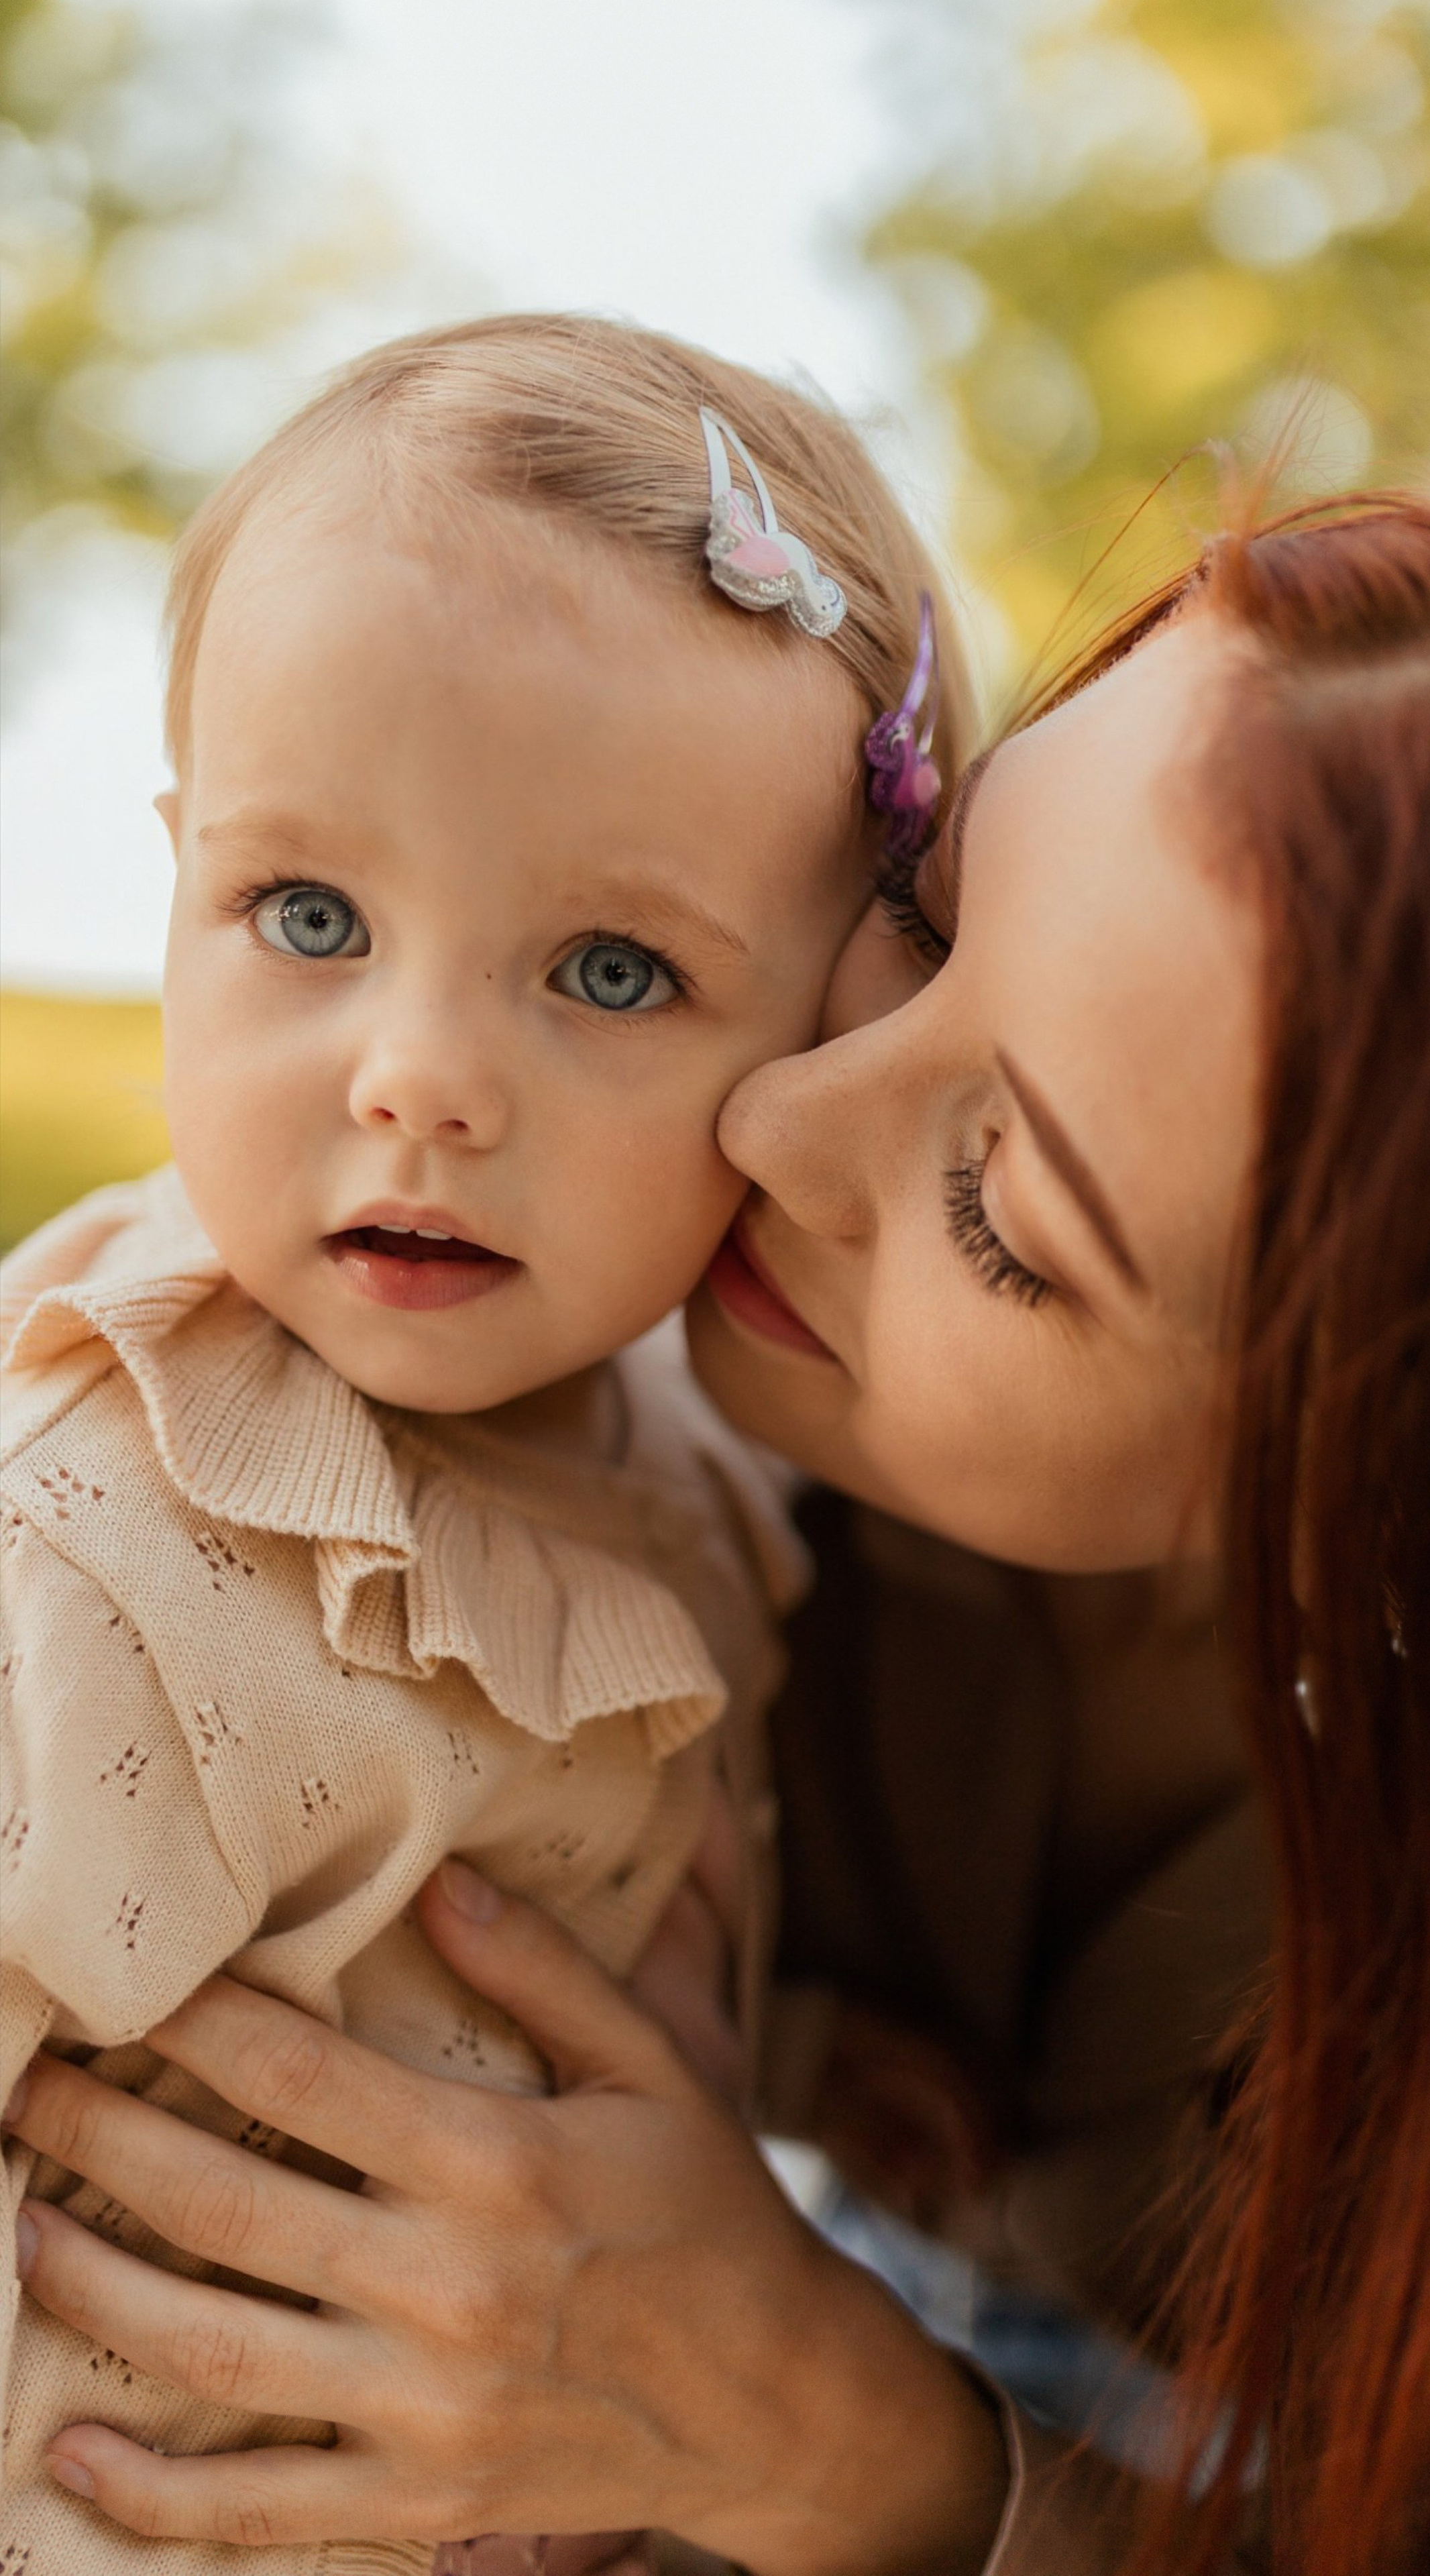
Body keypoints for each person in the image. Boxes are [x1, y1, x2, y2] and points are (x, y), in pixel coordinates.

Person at [7, 488, 1430, 2576]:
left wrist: (851, 2446)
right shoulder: (489, 1442)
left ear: (1409, 1494)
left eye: (1003, 1211)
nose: (767, 1121)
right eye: (922, 909)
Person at [0, 313, 975, 2576]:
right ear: (177, 881)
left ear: (835, 1017)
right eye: (309, 918)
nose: (417, 1076)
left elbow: (592, 1883)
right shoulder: (107, 1545)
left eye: (611, 973)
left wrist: (808, 2059)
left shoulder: (683, 1441)